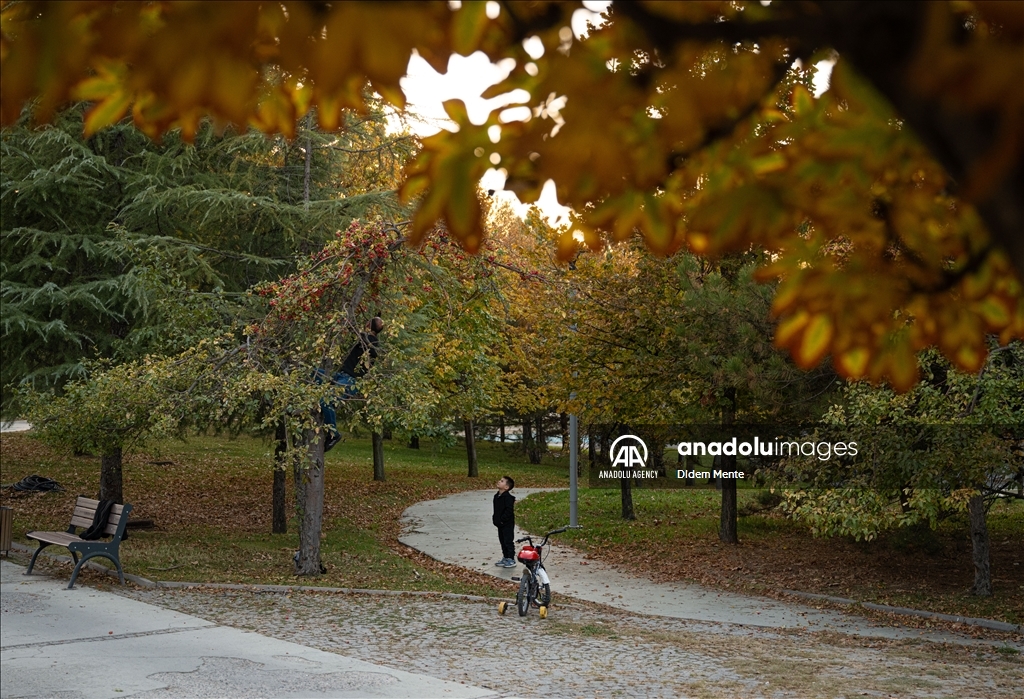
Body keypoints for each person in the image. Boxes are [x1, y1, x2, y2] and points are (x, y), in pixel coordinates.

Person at [321, 317, 384, 452]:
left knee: (326, 401)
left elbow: (362, 338)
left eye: (368, 321)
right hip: (340, 376)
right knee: (315, 374)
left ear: (370, 326)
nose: (365, 322)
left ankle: (333, 434)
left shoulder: (369, 342)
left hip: (348, 381)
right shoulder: (365, 339)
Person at [492, 475, 517, 568]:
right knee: (502, 540)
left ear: (506, 487)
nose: (499, 481)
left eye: (502, 481)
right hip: (500, 524)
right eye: (500, 480)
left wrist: (503, 519)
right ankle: (505, 557)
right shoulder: (496, 496)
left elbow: (509, 511)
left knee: (508, 540)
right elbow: (496, 510)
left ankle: (511, 558)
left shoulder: (508, 498)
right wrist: (495, 519)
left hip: (507, 524)